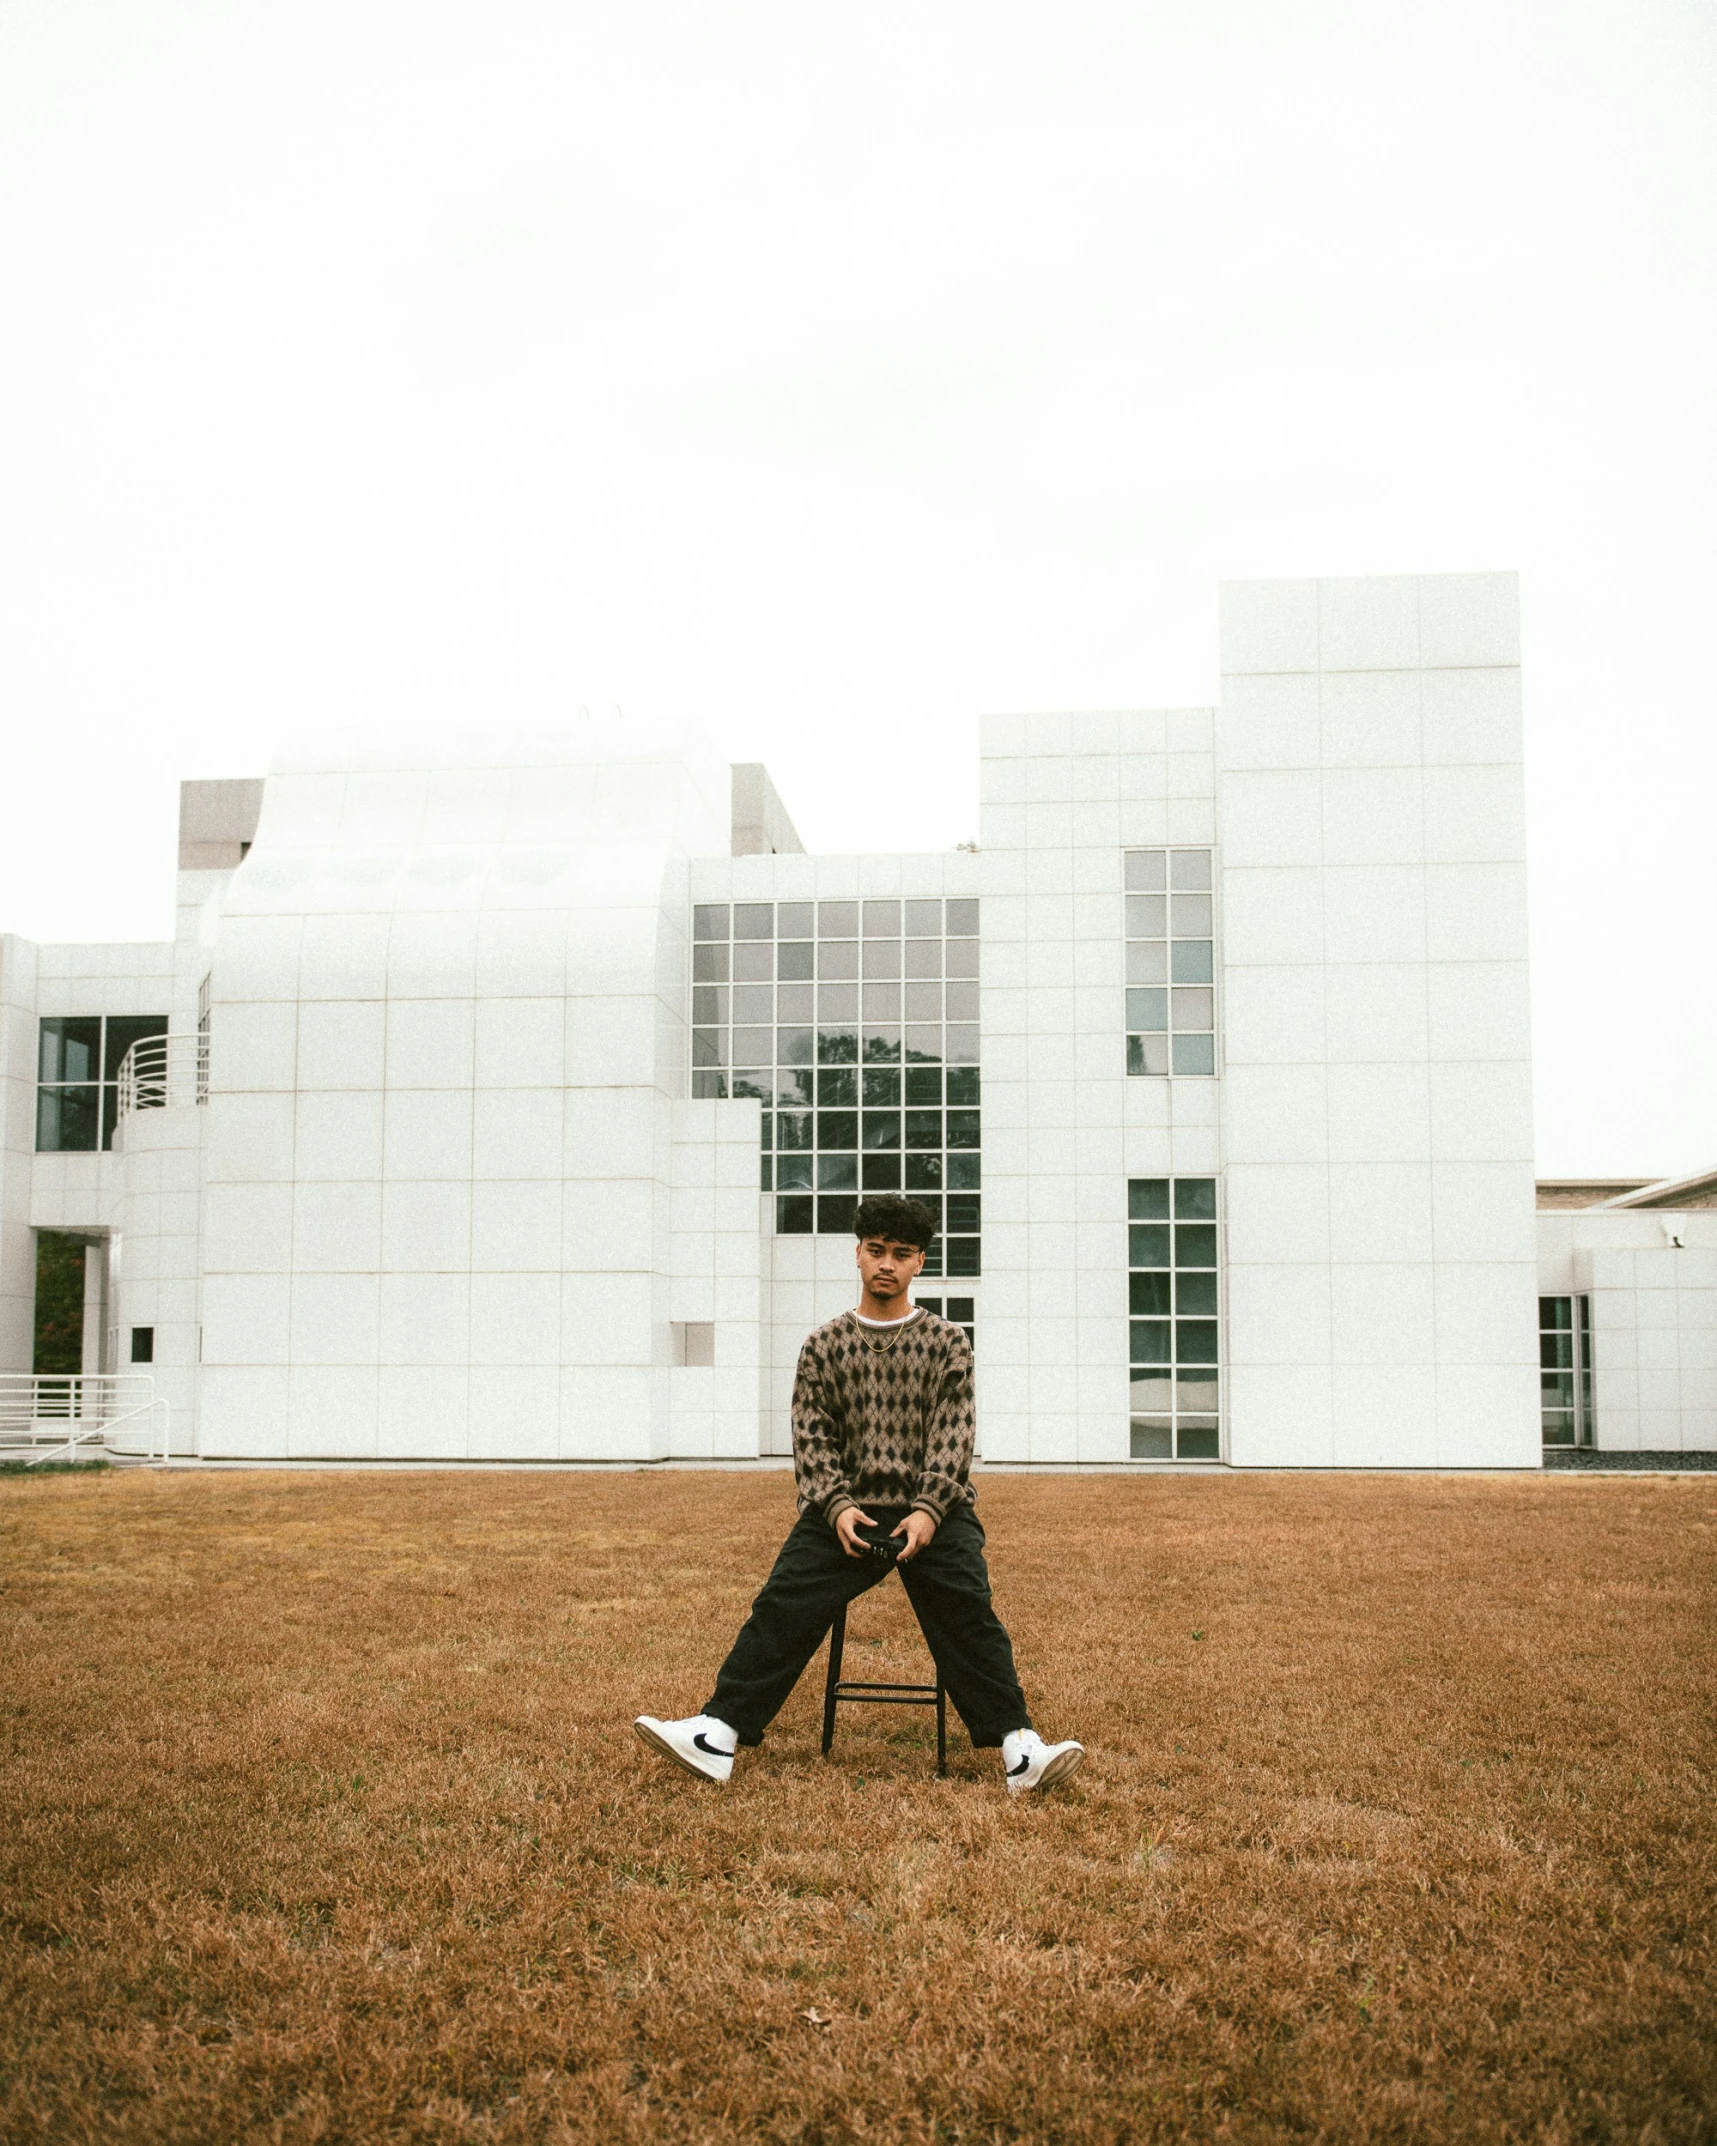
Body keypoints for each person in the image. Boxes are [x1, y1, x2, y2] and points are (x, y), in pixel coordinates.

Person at [635, 1192, 1085, 1795]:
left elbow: (954, 1435)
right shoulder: (824, 1345)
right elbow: (810, 1436)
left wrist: (928, 1511)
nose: (886, 1265)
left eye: (901, 1254)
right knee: (781, 1605)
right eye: (876, 1250)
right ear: (857, 1254)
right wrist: (838, 1505)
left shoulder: (948, 1342)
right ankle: (718, 1735)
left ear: (920, 1263)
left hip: (935, 1513)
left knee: (969, 1613)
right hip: (847, 1511)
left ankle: (1020, 1750)